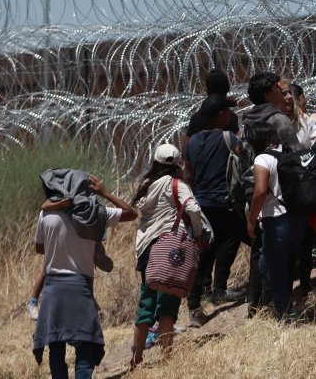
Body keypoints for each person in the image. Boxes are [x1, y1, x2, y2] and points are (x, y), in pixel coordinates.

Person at [33, 171, 136, 379]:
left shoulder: (46, 214)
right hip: (80, 286)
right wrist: (105, 193)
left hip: (53, 288)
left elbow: (39, 248)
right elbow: (132, 213)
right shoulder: (95, 213)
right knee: (86, 345)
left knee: (56, 346)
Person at [129, 144, 203, 369]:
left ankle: (137, 357)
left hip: (146, 249)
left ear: (155, 161)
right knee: (168, 301)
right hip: (170, 249)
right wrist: (198, 235)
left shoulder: (145, 185)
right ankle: (167, 356)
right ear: (177, 162)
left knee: (147, 300)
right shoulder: (177, 185)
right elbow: (194, 209)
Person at [184, 93, 244, 327]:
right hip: (225, 203)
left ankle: (194, 305)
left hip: (201, 205)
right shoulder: (229, 138)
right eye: (227, 112)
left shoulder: (192, 143)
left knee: (202, 253)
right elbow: (246, 162)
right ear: (221, 115)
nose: (229, 115)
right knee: (233, 237)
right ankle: (219, 289)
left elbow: (188, 176)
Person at [244, 122, 307, 320]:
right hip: (298, 219)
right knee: (282, 264)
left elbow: (261, 191)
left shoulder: (262, 158)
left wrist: (251, 220)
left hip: (276, 221)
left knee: (275, 272)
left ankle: (285, 315)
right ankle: (290, 306)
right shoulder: (289, 153)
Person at [242, 72, 301, 153]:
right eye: (276, 87)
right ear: (267, 94)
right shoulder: (279, 120)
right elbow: (295, 151)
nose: (280, 89)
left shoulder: (248, 120)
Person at [184, 69, 240, 141]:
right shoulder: (232, 118)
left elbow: (186, 147)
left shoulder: (195, 119)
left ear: (207, 90)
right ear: (227, 89)